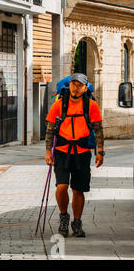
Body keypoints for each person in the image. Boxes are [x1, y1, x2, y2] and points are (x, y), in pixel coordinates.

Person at [45, 73, 105, 237]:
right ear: (69, 85)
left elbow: (98, 129)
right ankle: (64, 217)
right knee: (62, 186)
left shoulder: (91, 105)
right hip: (62, 152)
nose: (76, 88)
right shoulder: (59, 104)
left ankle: (77, 223)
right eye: (73, 84)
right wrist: (48, 152)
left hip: (83, 152)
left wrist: (100, 151)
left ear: (85, 88)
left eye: (79, 85)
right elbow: (50, 129)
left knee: (78, 190)